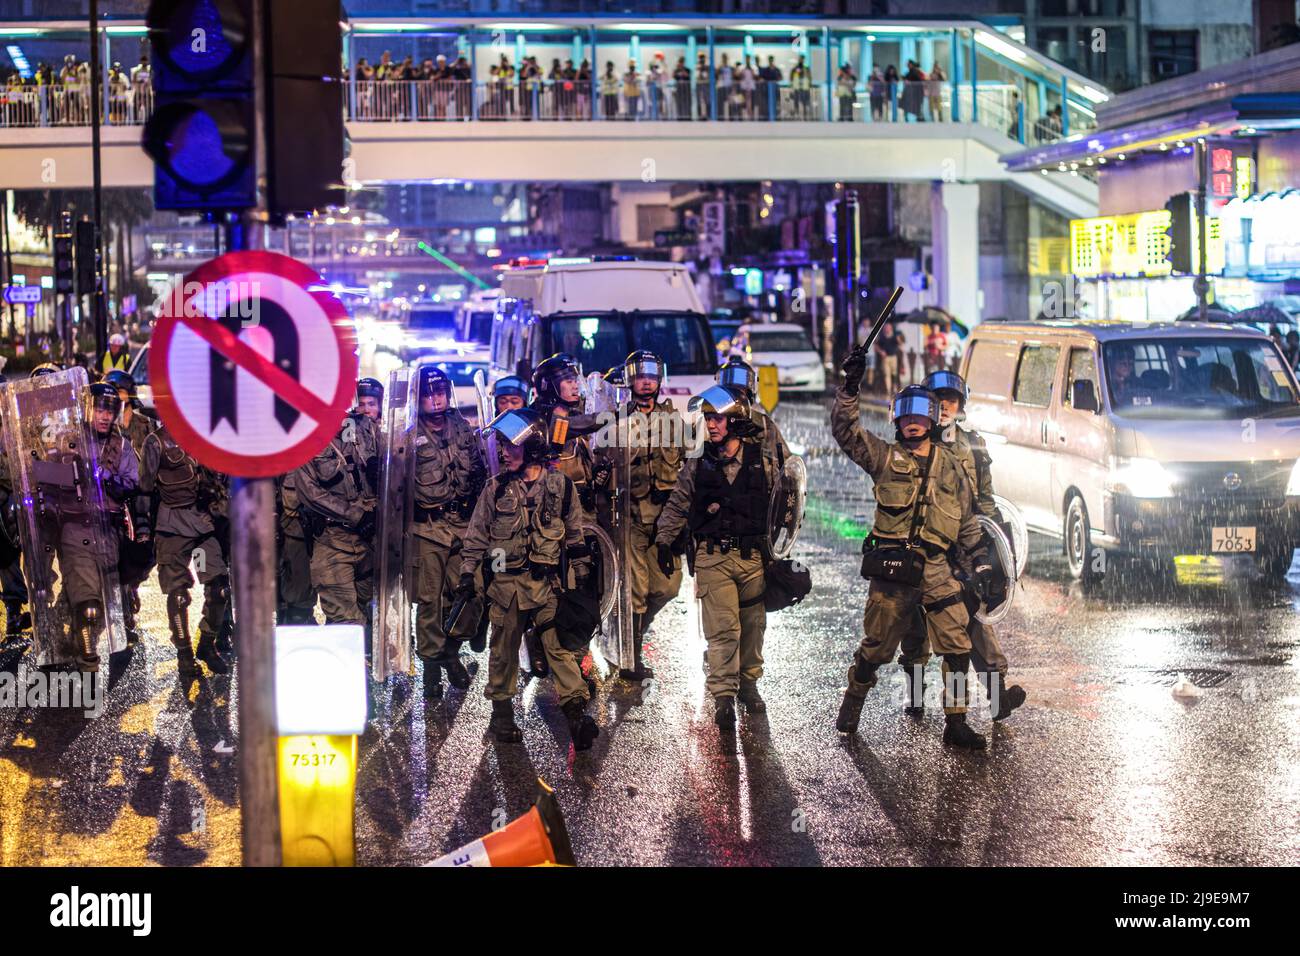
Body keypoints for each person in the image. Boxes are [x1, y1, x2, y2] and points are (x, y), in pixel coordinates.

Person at [831, 359, 991, 749]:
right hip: (893, 568)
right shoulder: (883, 457)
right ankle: (853, 702)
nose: (913, 422)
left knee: (957, 646)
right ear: (896, 421)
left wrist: (982, 560)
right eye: (906, 415)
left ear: (933, 419)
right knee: (876, 647)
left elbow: (967, 518)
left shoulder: (951, 465)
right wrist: (849, 388)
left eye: (922, 414)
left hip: (935, 566)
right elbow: (846, 431)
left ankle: (956, 721)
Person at [456, 407, 597, 749]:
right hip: (506, 588)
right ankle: (502, 713)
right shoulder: (495, 490)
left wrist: (582, 578)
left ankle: (576, 713)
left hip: (547, 585)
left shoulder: (561, 486)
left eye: (511, 446)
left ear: (531, 448)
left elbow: (575, 536)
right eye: (502, 445)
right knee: (503, 651)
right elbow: (476, 539)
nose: (504, 452)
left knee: (559, 647)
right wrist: (466, 577)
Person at [653, 383, 785, 735]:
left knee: (753, 626)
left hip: (753, 557)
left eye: (717, 419)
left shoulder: (763, 462)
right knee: (723, 630)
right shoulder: (697, 464)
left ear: (736, 422)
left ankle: (749, 683)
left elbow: (784, 505)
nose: (710, 425)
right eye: (707, 419)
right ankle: (724, 696)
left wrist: (782, 547)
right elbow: (679, 503)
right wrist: (664, 542)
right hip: (712, 558)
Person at [898, 370, 1026, 721]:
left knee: (971, 626)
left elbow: (984, 499)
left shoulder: (972, 445)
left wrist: (995, 547)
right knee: (914, 628)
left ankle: (994, 697)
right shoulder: (913, 442)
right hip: (920, 550)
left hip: (962, 550)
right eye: (936, 401)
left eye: (950, 401)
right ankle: (914, 693)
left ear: (960, 405)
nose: (943, 407)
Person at [409, 366, 488, 699]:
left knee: (471, 591)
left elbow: (481, 469)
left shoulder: (463, 428)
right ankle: (432, 663)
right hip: (428, 528)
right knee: (429, 600)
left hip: (463, 525)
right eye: (429, 393)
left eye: (440, 392)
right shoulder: (406, 434)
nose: (436, 399)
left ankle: (450, 649)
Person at [139, 417, 230, 673]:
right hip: (172, 529)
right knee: (178, 595)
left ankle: (207, 642)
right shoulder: (155, 442)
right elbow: (144, 489)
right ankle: (184, 653)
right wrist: (143, 528)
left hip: (202, 525)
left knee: (219, 589)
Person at [616, 351, 683, 681]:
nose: (646, 381)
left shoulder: (674, 422)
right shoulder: (616, 419)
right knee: (637, 590)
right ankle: (632, 651)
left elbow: (691, 465)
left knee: (668, 587)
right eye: (640, 375)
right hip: (629, 518)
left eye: (652, 375)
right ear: (630, 379)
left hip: (664, 521)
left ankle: (638, 629)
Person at [294, 407, 379, 636]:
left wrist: (381, 469)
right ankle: (353, 669)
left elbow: (394, 463)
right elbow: (311, 493)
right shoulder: (304, 437)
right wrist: (355, 516)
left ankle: (359, 661)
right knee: (347, 620)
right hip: (333, 541)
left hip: (370, 539)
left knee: (371, 610)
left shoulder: (364, 427)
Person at [875, 321, 903, 395]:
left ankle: (894, 388)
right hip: (885, 358)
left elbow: (900, 345)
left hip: (893, 357)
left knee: (894, 374)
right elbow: (876, 346)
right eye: (886, 327)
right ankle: (888, 390)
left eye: (888, 327)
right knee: (886, 374)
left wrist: (899, 339)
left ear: (891, 328)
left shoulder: (895, 336)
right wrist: (881, 352)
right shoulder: (881, 337)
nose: (887, 329)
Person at [790, 55, 812, 120]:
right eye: (800, 59)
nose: (801, 60)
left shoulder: (806, 69)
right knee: (796, 102)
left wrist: (809, 85)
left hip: (805, 88)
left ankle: (805, 115)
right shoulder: (794, 69)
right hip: (797, 88)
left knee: (805, 103)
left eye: (802, 59)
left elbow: (810, 78)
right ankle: (797, 116)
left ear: (803, 60)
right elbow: (791, 78)